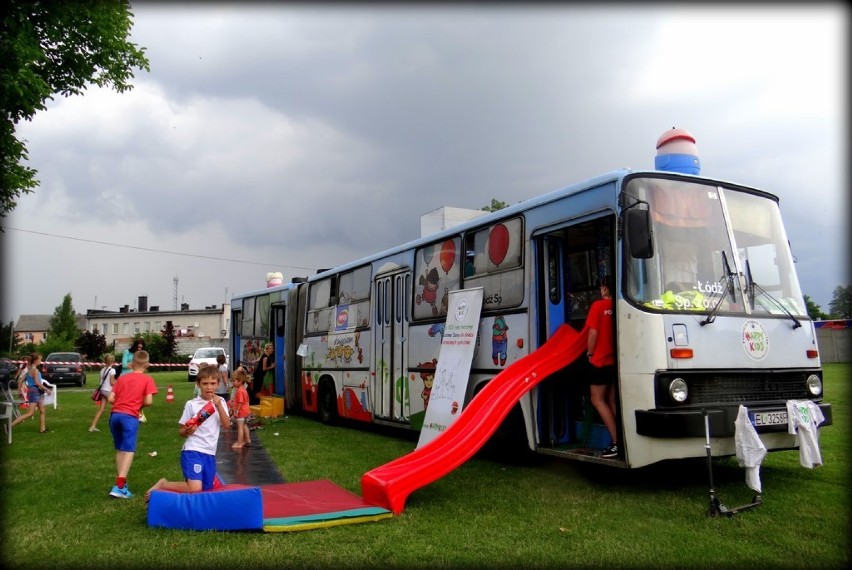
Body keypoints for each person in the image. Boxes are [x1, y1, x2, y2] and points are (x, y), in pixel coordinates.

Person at [145, 365, 231, 500]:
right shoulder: (192, 404)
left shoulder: (221, 403)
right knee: (195, 488)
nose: (209, 387)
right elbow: (181, 431)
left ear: (218, 384)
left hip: (209, 453)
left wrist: (219, 405)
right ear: (198, 384)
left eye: (213, 383)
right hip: (193, 450)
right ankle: (164, 484)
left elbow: (226, 425)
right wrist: (188, 431)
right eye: (205, 384)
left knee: (206, 490)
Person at [107, 349, 157, 499]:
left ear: (131, 364)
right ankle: (120, 486)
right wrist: (136, 404)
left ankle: (122, 483)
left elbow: (110, 398)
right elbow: (148, 401)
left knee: (120, 449)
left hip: (115, 416)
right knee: (129, 450)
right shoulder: (148, 380)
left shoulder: (122, 378)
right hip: (130, 417)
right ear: (147, 364)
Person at [585, 275, 619, 459]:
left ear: (605, 288)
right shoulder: (618, 306)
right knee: (612, 401)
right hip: (614, 362)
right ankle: (621, 438)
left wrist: (590, 354)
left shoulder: (598, 306)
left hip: (599, 361)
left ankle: (616, 442)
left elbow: (593, 332)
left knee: (597, 400)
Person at [10, 353, 52, 433]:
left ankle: (42, 429)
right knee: (30, 413)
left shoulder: (29, 369)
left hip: (36, 391)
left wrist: (19, 392)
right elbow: (37, 382)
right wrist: (46, 389)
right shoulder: (34, 370)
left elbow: (20, 381)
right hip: (34, 391)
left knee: (42, 410)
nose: (41, 361)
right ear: (36, 361)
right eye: (40, 360)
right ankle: (10, 426)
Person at [88, 354, 117, 432]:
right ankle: (115, 423)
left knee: (101, 409)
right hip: (108, 391)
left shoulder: (102, 370)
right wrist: (119, 382)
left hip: (102, 390)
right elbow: (112, 382)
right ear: (112, 361)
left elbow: (100, 381)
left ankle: (92, 426)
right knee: (118, 405)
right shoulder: (112, 370)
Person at [229, 367, 251, 449]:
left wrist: (236, 411)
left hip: (241, 412)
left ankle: (240, 443)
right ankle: (247, 440)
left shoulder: (240, 391)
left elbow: (240, 402)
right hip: (245, 412)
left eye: (234, 381)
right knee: (245, 425)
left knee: (240, 427)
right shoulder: (243, 389)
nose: (232, 383)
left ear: (240, 381)